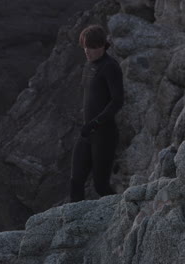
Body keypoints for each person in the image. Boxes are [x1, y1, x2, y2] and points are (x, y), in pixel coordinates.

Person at [69, 24, 124, 202]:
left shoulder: (110, 67)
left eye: (91, 48)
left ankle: (124, 215)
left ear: (102, 46)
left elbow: (117, 101)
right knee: (75, 181)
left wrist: (95, 123)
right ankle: (73, 225)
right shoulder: (89, 65)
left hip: (104, 134)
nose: (87, 52)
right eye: (85, 47)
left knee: (100, 185)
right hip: (87, 133)